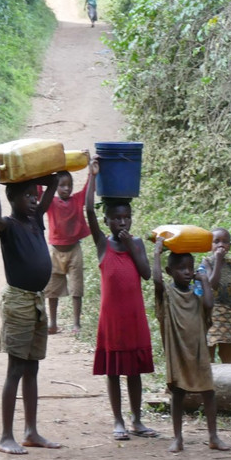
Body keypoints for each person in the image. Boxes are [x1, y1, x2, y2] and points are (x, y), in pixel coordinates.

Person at [0, 163, 62, 454]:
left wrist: (45, 178)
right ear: (13, 199)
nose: (33, 200)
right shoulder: (9, 225)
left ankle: (31, 431)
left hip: (36, 301)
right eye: (27, 196)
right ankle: (6, 435)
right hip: (18, 301)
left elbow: (53, 184)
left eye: (35, 196)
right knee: (15, 368)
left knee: (32, 367)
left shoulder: (36, 220)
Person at [85, 160, 158, 440]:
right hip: (112, 318)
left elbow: (146, 274)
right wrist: (91, 177)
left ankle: (137, 420)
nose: (121, 222)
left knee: (135, 371)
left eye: (126, 217)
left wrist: (131, 246)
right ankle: (118, 421)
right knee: (114, 371)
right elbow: (89, 210)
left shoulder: (136, 243)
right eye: (116, 218)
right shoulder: (103, 244)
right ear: (107, 222)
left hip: (134, 316)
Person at [153, 237, 231, 453]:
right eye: (181, 269)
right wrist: (157, 254)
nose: (187, 272)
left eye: (190, 268)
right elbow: (157, 282)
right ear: (170, 271)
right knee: (178, 394)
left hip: (198, 352)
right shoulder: (168, 295)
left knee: (209, 393)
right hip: (178, 352)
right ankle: (177, 438)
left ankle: (213, 436)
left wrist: (205, 281)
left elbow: (208, 304)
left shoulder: (196, 296)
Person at [44, 168, 91, 335]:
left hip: (74, 251)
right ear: (55, 187)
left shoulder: (77, 200)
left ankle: (76, 323)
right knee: (52, 290)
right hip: (55, 252)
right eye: (62, 185)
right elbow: (39, 192)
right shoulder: (50, 202)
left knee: (76, 289)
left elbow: (88, 191)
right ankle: (53, 323)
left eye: (69, 185)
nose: (66, 189)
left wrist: (92, 173)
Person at [199, 228, 231, 363]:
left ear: (229, 246)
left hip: (227, 312)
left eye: (225, 242)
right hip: (211, 312)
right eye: (216, 241)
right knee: (209, 346)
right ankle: (208, 378)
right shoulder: (206, 262)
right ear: (210, 245)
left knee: (230, 347)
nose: (220, 245)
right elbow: (212, 284)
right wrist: (218, 260)